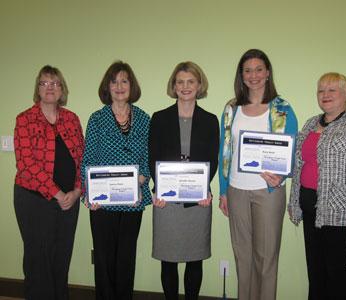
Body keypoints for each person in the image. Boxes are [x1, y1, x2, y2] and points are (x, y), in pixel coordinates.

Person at [288, 72, 346, 300]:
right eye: (321, 90)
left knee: (341, 280)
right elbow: (299, 166)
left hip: (342, 215)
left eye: (332, 90)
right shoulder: (311, 123)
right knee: (316, 275)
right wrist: (294, 202)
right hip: (311, 211)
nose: (325, 95)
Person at [218, 49, 298, 300]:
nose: (253, 75)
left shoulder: (282, 108)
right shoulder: (231, 109)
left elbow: (292, 150)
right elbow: (224, 149)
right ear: (241, 76)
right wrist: (223, 191)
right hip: (236, 189)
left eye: (258, 69)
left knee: (266, 258)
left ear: (267, 73)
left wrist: (282, 176)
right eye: (247, 70)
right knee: (242, 256)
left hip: (268, 191)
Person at [149, 61, 219, 300]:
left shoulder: (210, 120)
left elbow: (212, 159)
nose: (185, 86)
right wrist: (157, 190)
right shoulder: (159, 118)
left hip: (197, 200)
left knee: (194, 258)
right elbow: (153, 157)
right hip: (166, 201)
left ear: (199, 85)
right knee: (168, 260)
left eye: (191, 81)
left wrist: (203, 188)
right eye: (180, 82)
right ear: (174, 86)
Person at [81, 61, 151, 299]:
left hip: (134, 200)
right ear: (107, 87)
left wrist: (139, 185)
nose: (119, 86)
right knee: (103, 259)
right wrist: (90, 193)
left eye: (124, 81)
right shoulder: (96, 119)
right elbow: (88, 159)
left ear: (131, 86)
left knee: (125, 258)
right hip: (102, 202)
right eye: (114, 81)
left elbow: (148, 157)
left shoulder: (143, 118)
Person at [14, 65, 84, 300]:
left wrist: (76, 192)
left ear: (62, 88)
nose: (49, 88)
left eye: (54, 83)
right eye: (44, 83)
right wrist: (57, 193)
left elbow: (82, 159)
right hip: (34, 200)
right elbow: (27, 164)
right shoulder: (25, 119)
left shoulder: (72, 119)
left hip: (69, 200)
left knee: (61, 257)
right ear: (38, 89)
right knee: (38, 259)